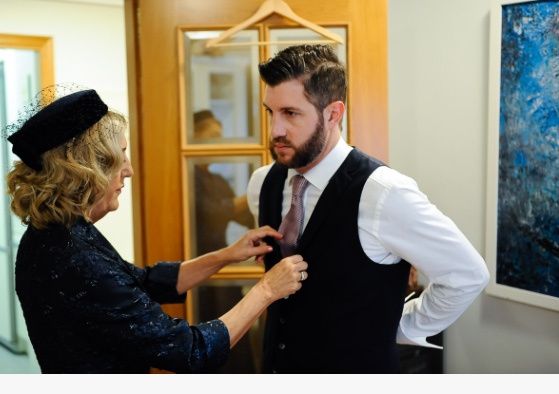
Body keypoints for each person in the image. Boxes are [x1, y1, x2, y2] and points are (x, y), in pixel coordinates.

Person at [5, 87, 308, 373]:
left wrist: (225, 256)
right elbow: (191, 351)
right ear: (86, 170)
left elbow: (145, 281)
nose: (129, 170)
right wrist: (267, 289)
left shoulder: (60, 233)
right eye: (120, 156)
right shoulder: (73, 257)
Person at [247, 44, 490, 373]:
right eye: (270, 113)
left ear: (333, 114)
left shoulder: (384, 193)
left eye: (290, 113)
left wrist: (397, 327)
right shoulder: (263, 184)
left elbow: (467, 274)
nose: (275, 130)